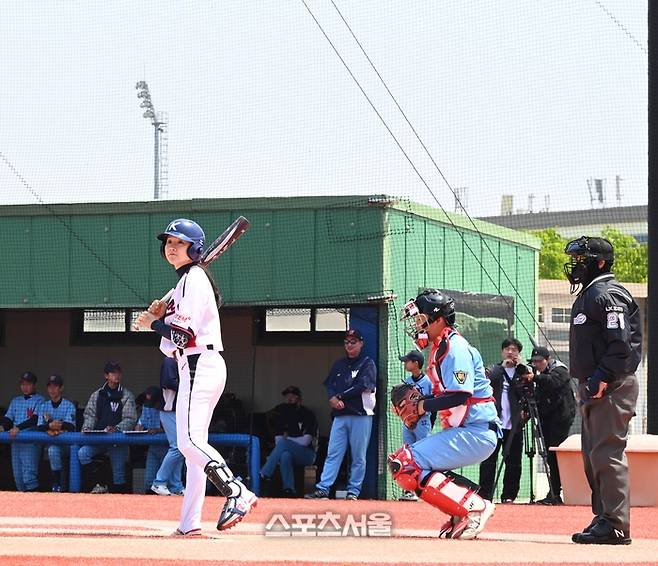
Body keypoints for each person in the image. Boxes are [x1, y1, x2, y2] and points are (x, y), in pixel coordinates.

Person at [134, 218, 256, 536]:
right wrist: (162, 315)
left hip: (200, 362)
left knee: (188, 443)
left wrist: (153, 324)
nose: (172, 247)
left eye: (180, 242)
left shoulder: (193, 278)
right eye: (169, 242)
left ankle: (237, 491)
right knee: (193, 448)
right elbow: (168, 347)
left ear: (195, 248)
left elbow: (180, 337)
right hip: (197, 364)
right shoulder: (186, 282)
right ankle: (189, 524)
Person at [389, 289, 500, 540]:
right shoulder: (440, 347)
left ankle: (475, 507)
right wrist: (423, 402)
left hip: (478, 432)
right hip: (468, 431)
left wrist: (420, 406)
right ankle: (461, 510)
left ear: (438, 320)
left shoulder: (455, 348)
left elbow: (460, 395)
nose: (418, 325)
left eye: (421, 319)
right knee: (407, 464)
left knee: (406, 464)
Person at [564, 236, 641, 545]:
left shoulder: (607, 293)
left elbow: (622, 345)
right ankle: (605, 518)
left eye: (582, 258)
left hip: (611, 387)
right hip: (594, 388)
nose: (575, 265)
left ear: (599, 262)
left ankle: (616, 524)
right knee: (593, 457)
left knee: (607, 454)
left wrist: (602, 376)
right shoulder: (589, 294)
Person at [305, 329, 376, 501]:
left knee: (358, 456)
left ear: (361, 343)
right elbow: (329, 385)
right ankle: (323, 488)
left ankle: (353, 491)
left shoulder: (367, 363)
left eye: (353, 342)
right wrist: (332, 398)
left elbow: (363, 385)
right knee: (333, 453)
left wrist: (340, 397)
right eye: (346, 342)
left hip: (361, 415)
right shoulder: (339, 364)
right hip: (340, 415)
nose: (349, 345)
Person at [523, 346, 576, 505]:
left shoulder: (559, 370)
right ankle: (553, 492)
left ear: (548, 359)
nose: (537, 364)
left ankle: (555, 492)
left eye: (540, 361)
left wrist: (534, 378)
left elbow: (554, 382)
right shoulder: (540, 375)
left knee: (554, 456)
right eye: (534, 362)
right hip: (546, 419)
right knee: (549, 456)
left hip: (560, 420)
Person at [79, 361, 137, 494]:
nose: (116, 375)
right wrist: (87, 427)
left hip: (118, 440)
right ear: (106, 375)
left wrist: (117, 428)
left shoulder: (126, 395)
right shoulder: (97, 395)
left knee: (119, 475)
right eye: (112, 372)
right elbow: (89, 415)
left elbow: (130, 419)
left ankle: (119, 504)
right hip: (99, 439)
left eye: (118, 372)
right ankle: (98, 484)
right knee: (83, 453)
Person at [478, 338, 524, 503]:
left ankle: (509, 496)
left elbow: (529, 392)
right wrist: (502, 367)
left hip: (514, 426)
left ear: (519, 353)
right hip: (494, 424)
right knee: (488, 460)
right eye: (507, 349)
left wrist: (522, 369)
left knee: (514, 463)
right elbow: (485, 378)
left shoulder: (522, 372)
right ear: (502, 351)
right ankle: (485, 495)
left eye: (514, 349)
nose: (510, 352)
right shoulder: (495, 369)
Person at [260, 386, 318, 497]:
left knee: (284, 444)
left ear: (299, 398)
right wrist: (289, 441)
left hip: (307, 454)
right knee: (285, 455)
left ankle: (264, 473)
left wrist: (287, 440)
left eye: (292, 396)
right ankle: (289, 489)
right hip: (290, 452)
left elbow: (306, 441)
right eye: (287, 396)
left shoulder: (307, 414)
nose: (289, 398)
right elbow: (277, 441)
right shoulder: (281, 416)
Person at [397, 350, 433, 502]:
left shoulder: (428, 382)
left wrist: (428, 421)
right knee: (408, 455)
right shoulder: (407, 381)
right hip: (407, 422)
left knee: (424, 455)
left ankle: (426, 489)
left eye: (407, 361)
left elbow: (433, 404)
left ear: (416, 363)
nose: (405, 363)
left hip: (422, 422)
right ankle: (409, 490)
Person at [2, 371, 45, 492]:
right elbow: (8, 418)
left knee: (29, 477)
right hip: (16, 442)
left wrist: (18, 428)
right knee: (18, 478)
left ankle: (35, 507)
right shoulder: (16, 400)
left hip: (31, 442)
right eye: (23, 384)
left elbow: (35, 419)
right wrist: (2, 427)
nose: (25, 387)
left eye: (28, 384)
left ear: (34, 385)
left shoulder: (40, 400)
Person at [150, 357, 185, 496]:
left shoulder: (183, 361)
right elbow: (169, 382)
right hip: (169, 411)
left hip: (178, 412)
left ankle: (176, 486)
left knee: (182, 448)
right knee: (177, 446)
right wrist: (190, 386)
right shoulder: (170, 361)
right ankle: (159, 482)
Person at [36, 375, 77, 492]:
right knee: (52, 450)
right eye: (50, 386)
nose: (52, 389)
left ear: (61, 388)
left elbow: (70, 426)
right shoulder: (44, 406)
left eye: (55, 386)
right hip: (53, 444)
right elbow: (39, 427)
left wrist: (50, 421)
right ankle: (56, 484)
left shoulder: (69, 405)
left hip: (68, 445)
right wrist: (49, 425)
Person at [135, 386, 167, 492]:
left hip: (168, 449)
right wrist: (138, 428)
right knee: (149, 481)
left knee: (166, 481)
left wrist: (158, 430)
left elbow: (174, 430)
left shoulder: (166, 408)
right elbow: (140, 424)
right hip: (153, 449)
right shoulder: (146, 406)